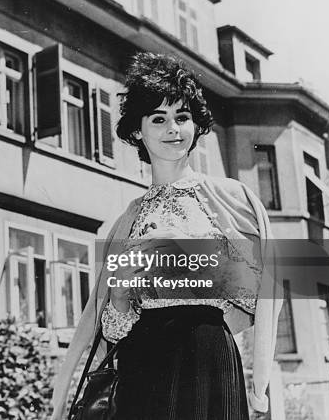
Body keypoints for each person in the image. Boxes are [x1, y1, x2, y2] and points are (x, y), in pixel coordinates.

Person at [50, 52, 283, 420]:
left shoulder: (233, 199)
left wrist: (196, 262)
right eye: (159, 119)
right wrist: (123, 296)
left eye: (182, 117)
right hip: (143, 363)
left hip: (208, 357)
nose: (173, 129)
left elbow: (263, 293)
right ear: (138, 131)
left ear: (195, 126)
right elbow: (110, 327)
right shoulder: (128, 219)